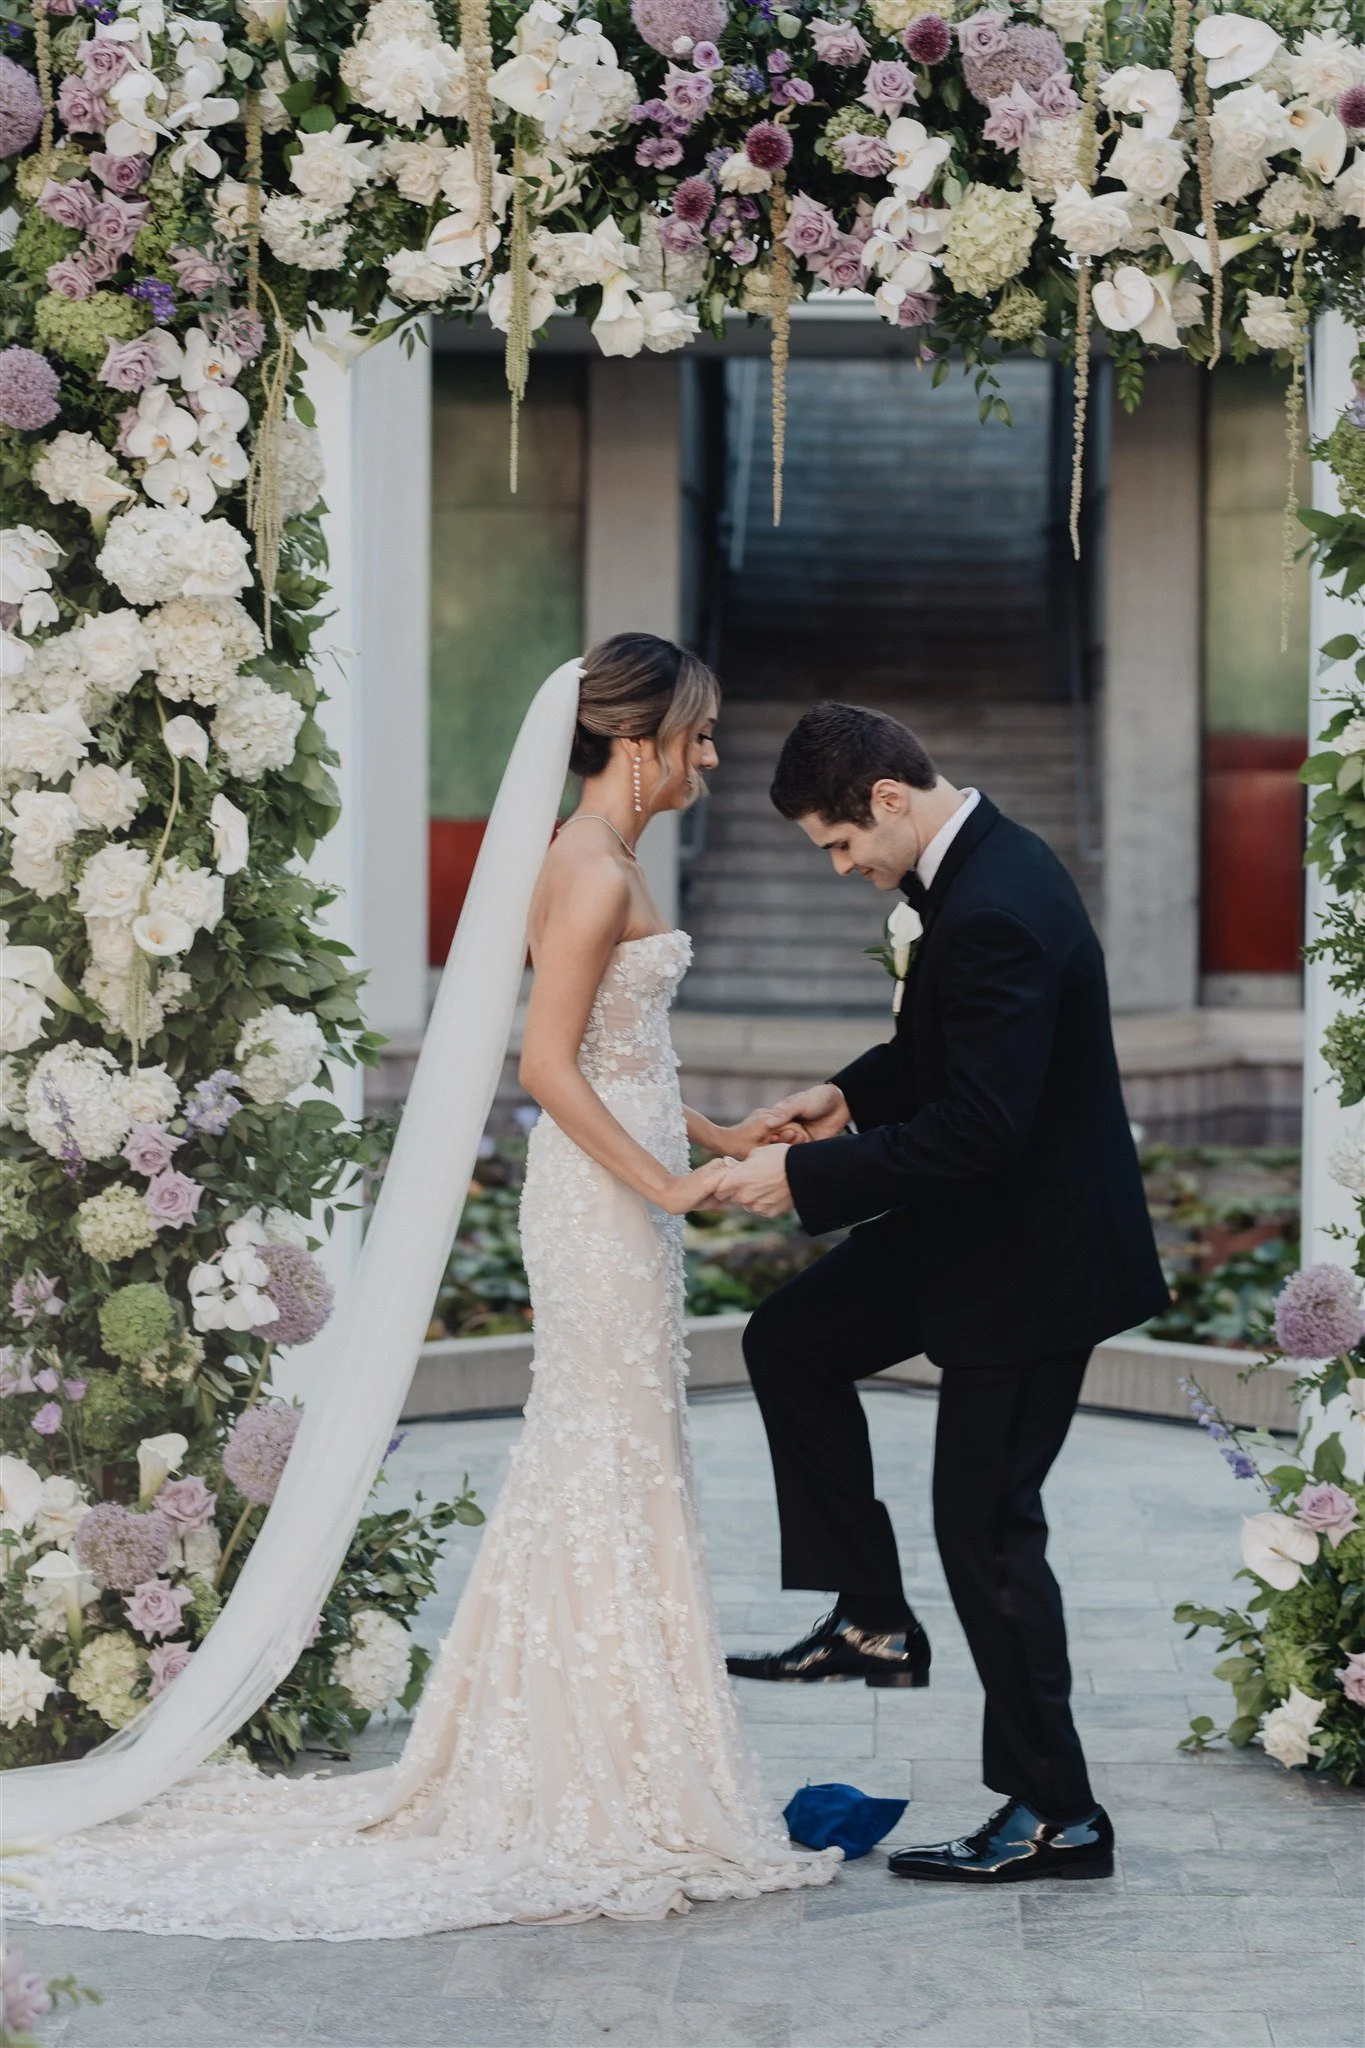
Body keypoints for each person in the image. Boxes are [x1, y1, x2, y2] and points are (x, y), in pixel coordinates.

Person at [27, 637, 837, 1940]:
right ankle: (589, 1771)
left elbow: (621, 1058)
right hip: (596, 1207)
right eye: (698, 735)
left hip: (622, 1189)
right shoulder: (584, 873)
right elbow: (549, 1072)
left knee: (613, 1458)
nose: (710, 756)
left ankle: (597, 1747)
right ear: (637, 742)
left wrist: (721, 1136)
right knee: (604, 1455)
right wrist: (672, 1186)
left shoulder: (609, 862)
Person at [715, 702, 1169, 1886]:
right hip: (977, 1224)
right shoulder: (971, 872)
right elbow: (944, 1059)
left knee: (989, 1531)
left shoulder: (997, 906)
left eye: (835, 844)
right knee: (793, 1339)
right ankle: (872, 1618)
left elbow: (983, 1126)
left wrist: (800, 1176)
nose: (842, 869)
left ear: (886, 799)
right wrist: (841, 1098)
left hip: (1034, 1260)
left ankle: (1059, 1814)